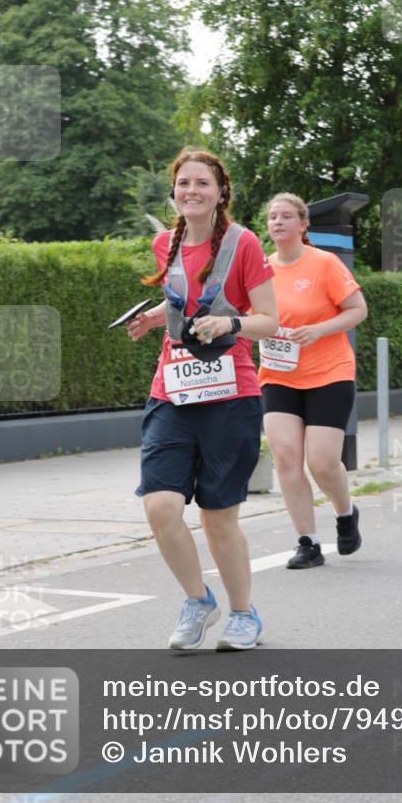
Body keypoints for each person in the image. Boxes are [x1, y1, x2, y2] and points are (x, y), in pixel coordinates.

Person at [126, 149, 278, 650]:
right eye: (183, 183)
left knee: (218, 514)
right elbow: (183, 305)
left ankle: (242, 614)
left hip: (230, 393)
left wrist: (229, 323)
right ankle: (198, 600)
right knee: (161, 506)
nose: (191, 190)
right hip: (171, 391)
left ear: (220, 192)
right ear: (173, 191)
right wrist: (154, 320)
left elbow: (268, 320)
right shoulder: (163, 244)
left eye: (202, 183)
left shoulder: (245, 243)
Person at [259, 193, 368, 569]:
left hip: (328, 373)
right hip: (278, 374)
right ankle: (308, 542)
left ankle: (345, 513)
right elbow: (251, 314)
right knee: (286, 457)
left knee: (322, 463)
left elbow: (358, 310)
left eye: (287, 216)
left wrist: (318, 330)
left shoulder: (324, 264)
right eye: (273, 216)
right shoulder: (261, 269)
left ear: (303, 225)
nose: (278, 222)